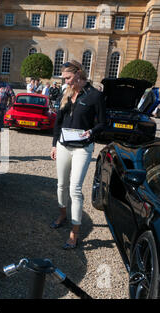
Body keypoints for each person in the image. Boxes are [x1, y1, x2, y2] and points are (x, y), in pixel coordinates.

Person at [49, 60, 106, 250]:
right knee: (61, 185)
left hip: (83, 147)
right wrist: (54, 145)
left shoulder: (95, 96)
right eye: (63, 78)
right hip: (64, 145)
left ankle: (75, 231)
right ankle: (63, 214)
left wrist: (91, 132)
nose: (65, 82)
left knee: (75, 189)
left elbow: (103, 123)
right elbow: (58, 122)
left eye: (68, 78)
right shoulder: (66, 93)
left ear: (79, 74)